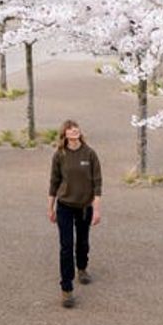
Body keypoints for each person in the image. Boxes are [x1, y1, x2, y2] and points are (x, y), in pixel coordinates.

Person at [47, 119, 102, 308]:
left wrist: (97, 209)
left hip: (84, 206)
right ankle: (67, 289)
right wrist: (50, 207)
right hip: (64, 206)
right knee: (66, 246)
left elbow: (97, 184)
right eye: (70, 130)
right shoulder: (59, 155)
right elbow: (54, 182)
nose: (74, 132)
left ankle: (82, 267)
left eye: (76, 129)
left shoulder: (90, 154)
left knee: (83, 242)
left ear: (80, 132)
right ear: (65, 134)